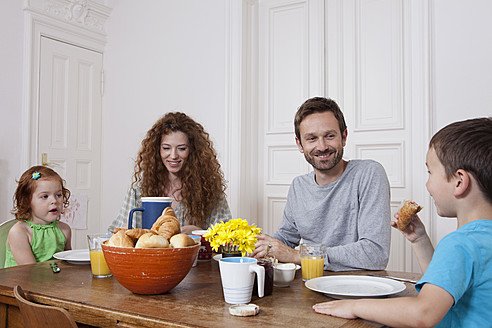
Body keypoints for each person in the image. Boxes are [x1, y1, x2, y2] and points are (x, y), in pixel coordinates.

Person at [313, 117, 492, 327]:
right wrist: (420, 241)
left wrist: (354, 306)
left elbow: (423, 312)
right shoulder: (481, 240)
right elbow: (441, 287)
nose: (427, 183)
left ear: (459, 181)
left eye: (430, 172)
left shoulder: (460, 244)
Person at [251, 97, 391, 271]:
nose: (322, 146)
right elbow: (285, 239)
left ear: (344, 136)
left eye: (330, 136)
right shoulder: (298, 186)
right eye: (311, 138)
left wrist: (298, 255)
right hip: (308, 284)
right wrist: (256, 246)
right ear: (299, 144)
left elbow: (375, 254)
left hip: (357, 289)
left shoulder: (369, 173)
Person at [108, 112, 232, 234]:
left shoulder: (208, 189)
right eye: (166, 148)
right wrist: (124, 232)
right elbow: (114, 232)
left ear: (193, 151)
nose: (173, 156)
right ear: (157, 150)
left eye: (182, 148)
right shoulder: (139, 189)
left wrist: (201, 233)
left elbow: (229, 236)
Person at [5, 166, 72, 267]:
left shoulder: (64, 230)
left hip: (53, 281)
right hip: (22, 281)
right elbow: (31, 272)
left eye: (58, 195)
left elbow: (69, 265)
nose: (54, 200)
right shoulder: (19, 233)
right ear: (27, 201)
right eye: (45, 196)